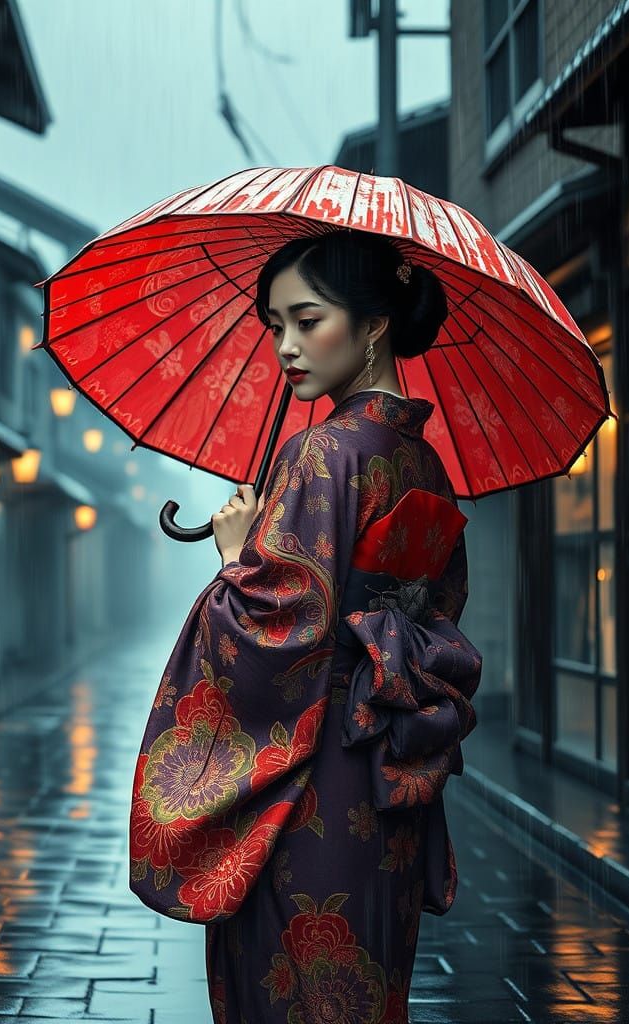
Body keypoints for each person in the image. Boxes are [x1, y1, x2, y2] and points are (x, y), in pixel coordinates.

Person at [128, 228, 482, 1023]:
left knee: (287, 984)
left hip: (314, 771)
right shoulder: (421, 463)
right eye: (275, 324)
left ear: (375, 324)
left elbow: (273, 630)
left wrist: (232, 560)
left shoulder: (320, 453)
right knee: (366, 983)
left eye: (308, 320)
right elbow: (438, 604)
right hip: (388, 777)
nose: (286, 346)